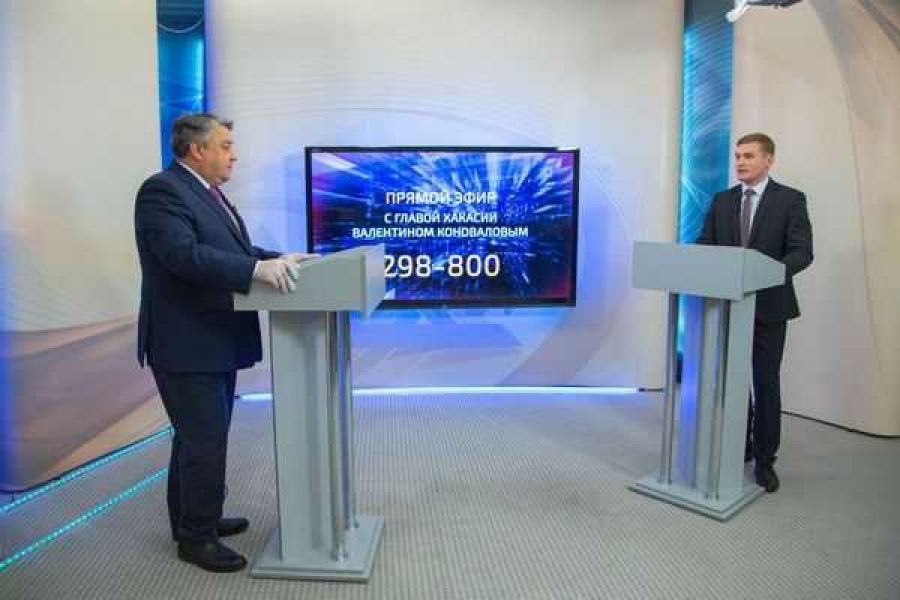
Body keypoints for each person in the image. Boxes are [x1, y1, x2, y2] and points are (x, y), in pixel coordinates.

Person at [134, 113, 312, 572]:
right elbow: (183, 255)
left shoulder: (207, 193)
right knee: (204, 441)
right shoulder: (162, 191)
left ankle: (197, 520)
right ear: (197, 150)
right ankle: (196, 539)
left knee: (197, 439)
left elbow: (230, 252)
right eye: (226, 145)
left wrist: (277, 258)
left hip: (212, 338)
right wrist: (254, 270)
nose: (234, 155)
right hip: (185, 342)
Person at [696, 132, 813, 493]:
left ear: (768, 160)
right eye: (738, 156)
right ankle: (741, 446)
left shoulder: (790, 200)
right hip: (729, 306)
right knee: (733, 382)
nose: (740, 162)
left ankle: (765, 461)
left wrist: (768, 274)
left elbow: (802, 252)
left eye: (748, 156)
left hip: (770, 309)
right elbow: (705, 243)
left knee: (765, 384)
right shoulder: (722, 201)